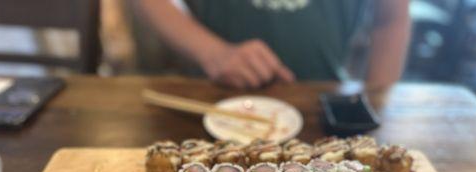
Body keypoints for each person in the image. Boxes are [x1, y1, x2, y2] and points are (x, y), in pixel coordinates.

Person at [138, 0, 410, 91]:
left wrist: (375, 101)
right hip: (213, 99)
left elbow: (391, 18)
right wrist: (211, 51)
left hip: (325, 102)